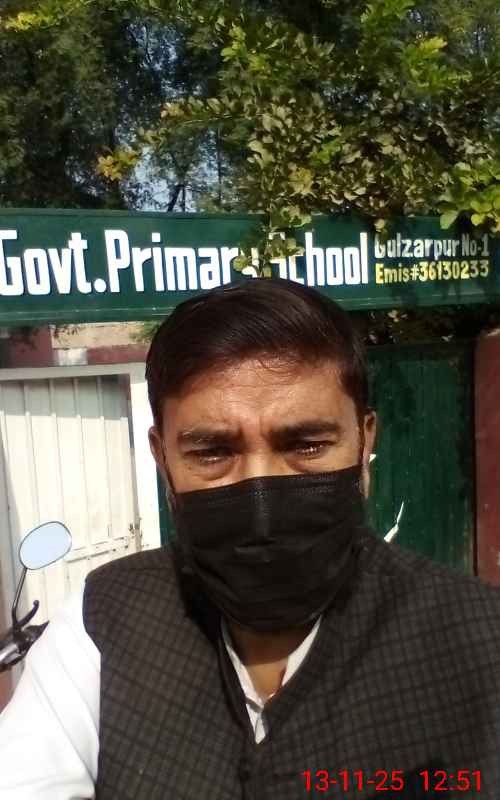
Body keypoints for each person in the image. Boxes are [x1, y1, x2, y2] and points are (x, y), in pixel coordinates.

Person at [0, 277, 500, 799]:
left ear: (364, 440)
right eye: (212, 453)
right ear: (162, 458)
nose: (262, 506)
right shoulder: (103, 623)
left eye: (307, 445)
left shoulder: (483, 645)